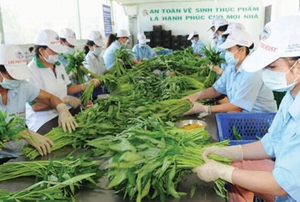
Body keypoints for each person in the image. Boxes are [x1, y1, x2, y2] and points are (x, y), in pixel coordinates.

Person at [192, 15, 300, 202]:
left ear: (298, 66)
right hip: (284, 186)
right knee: (238, 167)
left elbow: (282, 185)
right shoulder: (291, 97)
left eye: (272, 66)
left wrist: (223, 171)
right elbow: (271, 143)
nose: (266, 72)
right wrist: (231, 152)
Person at [0, 44, 77, 163]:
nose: (16, 80)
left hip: (19, 151)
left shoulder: (22, 85)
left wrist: (62, 108)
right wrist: (23, 133)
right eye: (12, 76)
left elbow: (49, 98)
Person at [182, 29, 277, 116]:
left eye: (229, 49)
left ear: (242, 50)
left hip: (260, 119)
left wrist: (205, 109)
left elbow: (238, 106)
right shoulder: (231, 67)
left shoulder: (253, 71)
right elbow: (216, 90)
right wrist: (198, 95)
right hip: (243, 116)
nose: (227, 53)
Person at [26, 29, 100, 135]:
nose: (57, 54)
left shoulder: (58, 64)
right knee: (69, 135)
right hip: (43, 118)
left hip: (64, 110)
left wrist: (85, 85)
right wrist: (63, 101)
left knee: (90, 120)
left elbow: (68, 88)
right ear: (42, 51)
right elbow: (36, 106)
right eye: (54, 51)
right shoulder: (31, 71)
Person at [83, 30, 108, 98]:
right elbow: (92, 77)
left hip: (102, 86)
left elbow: (104, 72)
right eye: (97, 46)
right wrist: (105, 78)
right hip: (93, 89)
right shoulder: (87, 60)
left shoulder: (101, 58)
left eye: (100, 46)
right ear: (89, 46)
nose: (99, 48)